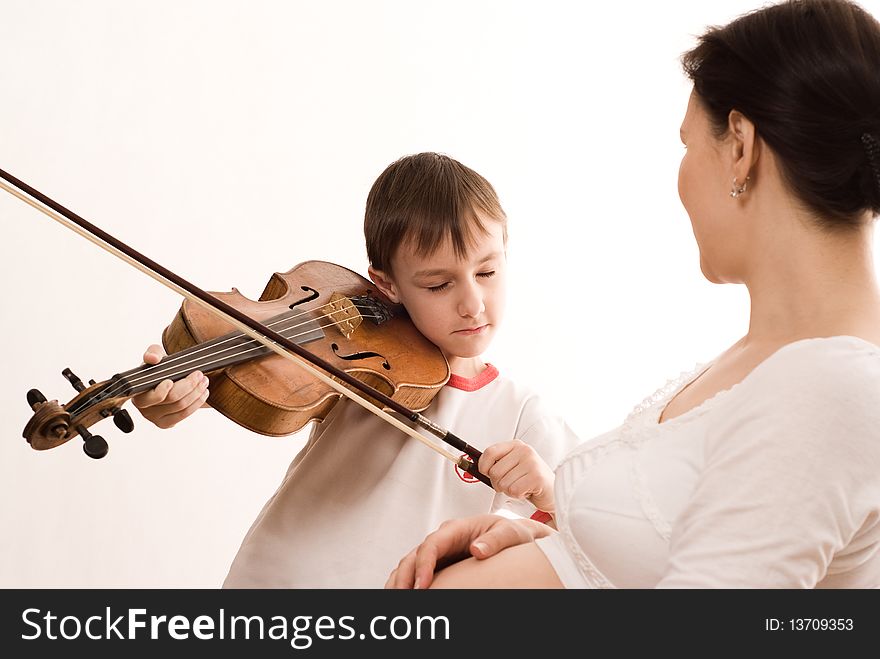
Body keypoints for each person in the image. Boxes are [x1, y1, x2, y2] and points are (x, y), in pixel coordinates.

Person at [385, 0, 880, 589]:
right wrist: (564, 548)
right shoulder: (773, 357)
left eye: (688, 145)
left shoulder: (829, 386)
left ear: (741, 147)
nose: (682, 179)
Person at [131, 152, 579, 587]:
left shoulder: (522, 413)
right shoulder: (352, 363)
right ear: (387, 284)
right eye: (439, 284)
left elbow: (595, 540)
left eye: (487, 272)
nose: (472, 304)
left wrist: (546, 490)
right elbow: (246, 384)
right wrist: (172, 394)